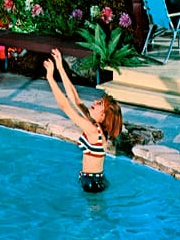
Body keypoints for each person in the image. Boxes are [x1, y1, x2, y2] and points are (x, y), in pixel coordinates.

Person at [43, 49, 122, 193]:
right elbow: (75, 99)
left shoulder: (93, 130)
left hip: (92, 184)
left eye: (100, 104)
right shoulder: (96, 127)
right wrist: (60, 67)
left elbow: (65, 106)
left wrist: (50, 78)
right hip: (94, 180)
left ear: (103, 116)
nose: (95, 101)